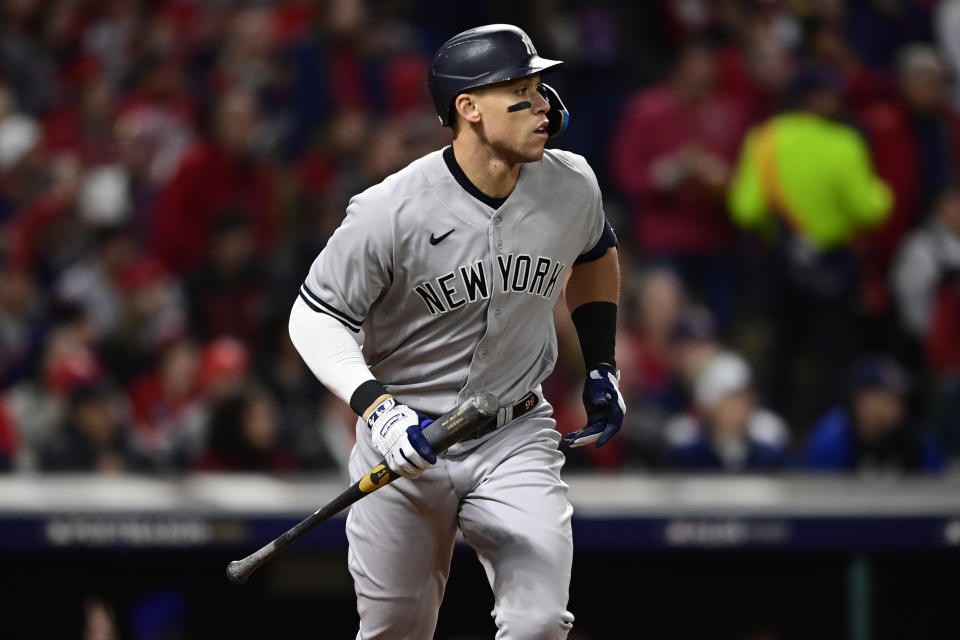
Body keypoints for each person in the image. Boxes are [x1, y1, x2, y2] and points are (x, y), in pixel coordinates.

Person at [287, 24, 624, 639]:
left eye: (541, 87)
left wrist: (600, 363)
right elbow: (313, 316)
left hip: (514, 431)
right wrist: (376, 410)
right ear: (467, 109)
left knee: (540, 622)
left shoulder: (572, 183)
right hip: (405, 439)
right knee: (397, 630)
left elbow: (596, 255)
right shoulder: (389, 210)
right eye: (520, 92)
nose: (544, 104)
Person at [801, 355, 941, 474]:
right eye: (884, 394)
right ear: (861, 400)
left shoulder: (919, 440)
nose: (896, 402)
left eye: (898, 395)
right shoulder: (832, 440)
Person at [663, 351, 790, 472]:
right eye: (731, 402)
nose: (740, 410)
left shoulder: (768, 458)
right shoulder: (688, 459)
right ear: (712, 407)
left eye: (745, 402)